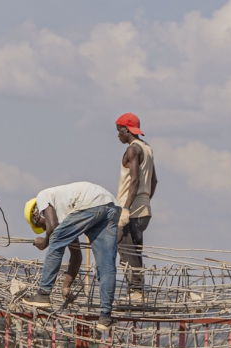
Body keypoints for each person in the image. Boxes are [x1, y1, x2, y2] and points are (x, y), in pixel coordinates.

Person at [21, 183, 120, 330]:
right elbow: (76, 255)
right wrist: (66, 285)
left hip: (91, 204)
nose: (44, 229)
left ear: (36, 215)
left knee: (55, 239)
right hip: (111, 206)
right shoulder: (69, 217)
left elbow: (53, 228)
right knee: (106, 265)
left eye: (41, 226)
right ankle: (105, 316)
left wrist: (45, 241)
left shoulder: (43, 196)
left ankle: (43, 293)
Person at [115, 113, 157, 302]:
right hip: (144, 208)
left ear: (127, 130)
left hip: (131, 208)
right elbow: (154, 181)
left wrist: (126, 208)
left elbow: (135, 181)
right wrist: (145, 199)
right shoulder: (147, 149)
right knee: (135, 250)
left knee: (126, 249)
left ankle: (136, 292)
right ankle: (138, 291)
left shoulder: (133, 150)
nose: (118, 136)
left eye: (119, 131)